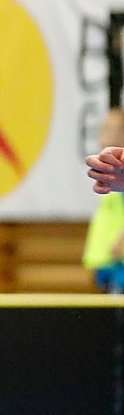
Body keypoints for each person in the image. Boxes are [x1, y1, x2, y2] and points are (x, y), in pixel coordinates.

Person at [84, 108, 124, 292]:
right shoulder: (111, 173)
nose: (102, 132)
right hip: (107, 264)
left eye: (108, 127)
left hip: (119, 265)